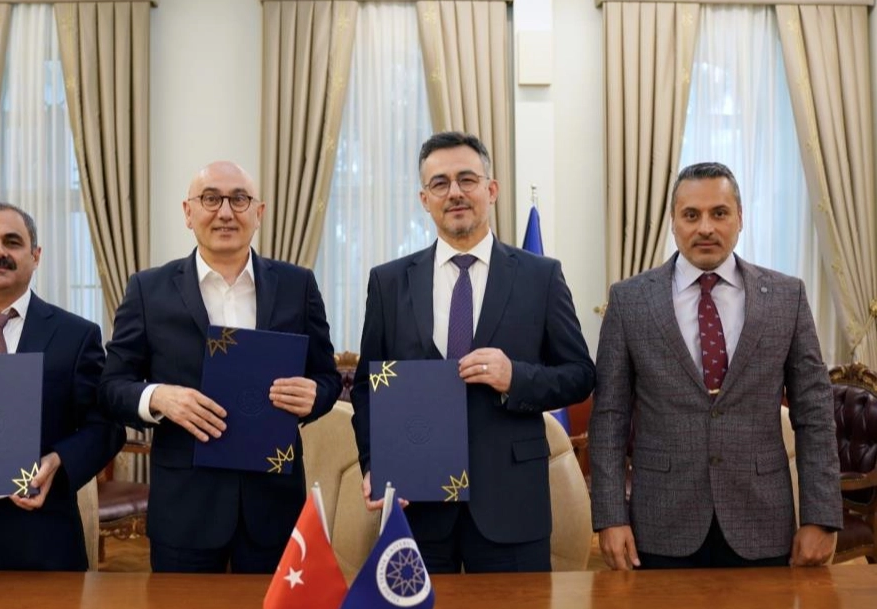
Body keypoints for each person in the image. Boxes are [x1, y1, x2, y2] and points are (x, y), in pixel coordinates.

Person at [350, 131, 596, 573]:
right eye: (440, 183)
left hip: (511, 502)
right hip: (416, 504)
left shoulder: (540, 276)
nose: (455, 192)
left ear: (491, 189)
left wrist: (515, 377)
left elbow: (579, 374)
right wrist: (375, 464)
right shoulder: (388, 283)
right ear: (425, 199)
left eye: (467, 179)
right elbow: (368, 390)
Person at [590, 161, 843, 570]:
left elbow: (814, 412)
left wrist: (821, 515)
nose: (705, 227)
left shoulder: (787, 297)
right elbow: (609, 417)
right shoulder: (629, 301)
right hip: (660, 524)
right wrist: (610, 516)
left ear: (740, 218)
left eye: (719, 213)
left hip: (761, 521)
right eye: (691, 215)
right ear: (673, 221)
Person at [99, 160, 341, 573]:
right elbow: (111, 387)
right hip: (185, 507)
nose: (225, 212)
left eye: (239, 199)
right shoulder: (148, 289)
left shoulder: (297, 286)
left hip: (274, 505)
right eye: (211, 199)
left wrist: (315, 395)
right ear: (188, 211)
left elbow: (327, 378)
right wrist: (158, 397)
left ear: (258, 213)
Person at [0, 201, 125, 570]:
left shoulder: (76, 336)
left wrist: (58, 461)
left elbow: (107, 427)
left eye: (12, 241)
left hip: (43, 535)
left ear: (35, 256)